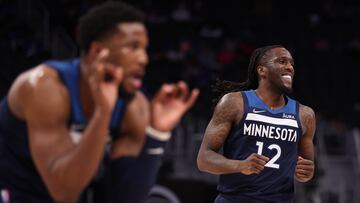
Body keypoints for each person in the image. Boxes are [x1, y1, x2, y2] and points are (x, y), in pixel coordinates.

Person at [0, 2, 199, 203]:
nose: (144, 59)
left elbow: (123, 198)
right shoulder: (43, 88)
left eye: (145, 49)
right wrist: (102, 113)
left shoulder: (133, 107)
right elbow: (63, 193)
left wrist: (156, 134)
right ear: (97, 51)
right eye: (133, 47)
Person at [197, 45, 315, 203]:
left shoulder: (305, 114)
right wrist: (240, 166)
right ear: (262, 70)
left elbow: (306, 169)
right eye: (282, 61)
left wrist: (307, 173)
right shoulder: (234, 103)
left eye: (292, 64)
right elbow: (204, 159)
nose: (289, 67)